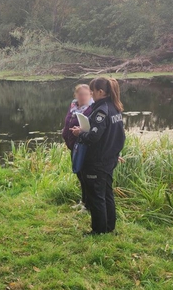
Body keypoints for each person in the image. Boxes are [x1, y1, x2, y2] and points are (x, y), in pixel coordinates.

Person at [70, 77, 125, 236]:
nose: (91, 95)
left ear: (101, 92)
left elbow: (94, 137)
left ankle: (98, 230)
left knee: (96, 196)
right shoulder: (114, 108)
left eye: (93, 92)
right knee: (107, 193)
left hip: (97, 161)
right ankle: (109, 227)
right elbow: (120, 136)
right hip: (109, 159)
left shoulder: (102, 110)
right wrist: (115, 154)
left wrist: (80, 133)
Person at [61, 84, 93, 209]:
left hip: (84, 148)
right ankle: (83, 202)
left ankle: (88, 205)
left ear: (91, 94)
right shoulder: (73, 106)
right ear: (75, 95)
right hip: (74, 147)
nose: (83, 97)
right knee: (80, 174)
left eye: (86, 94)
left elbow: (90, 129)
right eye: (80, 94)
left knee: (86, 176)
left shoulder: (91, 109)